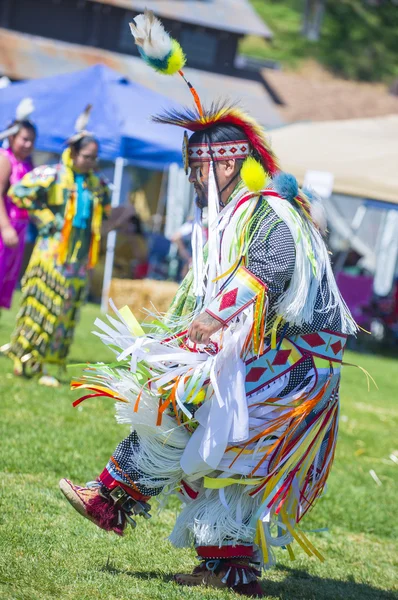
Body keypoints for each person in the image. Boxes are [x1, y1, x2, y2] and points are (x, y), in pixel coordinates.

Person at [59, 13, 357, 597]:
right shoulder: (243, 213)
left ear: (223, 162)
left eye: (198, 167)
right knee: (223, 460)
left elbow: (270, 269)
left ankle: (112, 499)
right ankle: (230, 568)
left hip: (295, 368)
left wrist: (212, 316)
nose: (195, 180)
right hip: (285, 363)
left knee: (181, 406)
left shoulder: (268, 209)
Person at [1, 118, 110, 386]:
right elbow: (17, 192)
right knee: (41, 307)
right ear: (73, 153)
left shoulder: (96, 184)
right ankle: (25, 358)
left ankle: (50, 365)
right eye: (86, 156)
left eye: (94, 157)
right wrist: (44, 217)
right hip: (51, 255)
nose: (90, 162)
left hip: (77, 260)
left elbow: (103, 214)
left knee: (66, 313)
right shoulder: (52, 175)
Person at [0, 112, 36, 312]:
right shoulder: (5, 159)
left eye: (32, 141)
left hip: (18, 231)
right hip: (4, 229)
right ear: (12, 137)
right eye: (25, 139)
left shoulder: (27, 163)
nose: (29, 145)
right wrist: (5, 227)